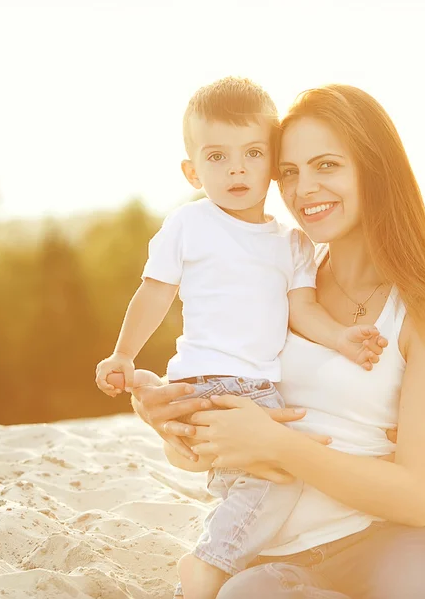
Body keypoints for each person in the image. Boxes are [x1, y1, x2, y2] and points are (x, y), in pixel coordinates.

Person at [129, 84, 425, 598]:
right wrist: (172, 421)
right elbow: (202, 455)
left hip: (384, 542)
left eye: (326, 165)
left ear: (373, 169)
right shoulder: (277, 279)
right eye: (289, 171)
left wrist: (279, 444)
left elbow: (416, 498)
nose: (304, 187)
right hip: (268, 557)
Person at [95, 77, 387, 599]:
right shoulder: (189, 223)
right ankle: (208, 566)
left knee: (249, 480)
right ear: (192, 170)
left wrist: (341, 338)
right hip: (209, 381)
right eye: (217, 156)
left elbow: (304, 309)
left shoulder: (290, 242)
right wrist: (123, 353)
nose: (237, 169)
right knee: (281, 477)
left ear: (272, 165)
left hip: (257, 388)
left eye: (253, 153)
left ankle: (226, 564)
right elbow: (155, 293)